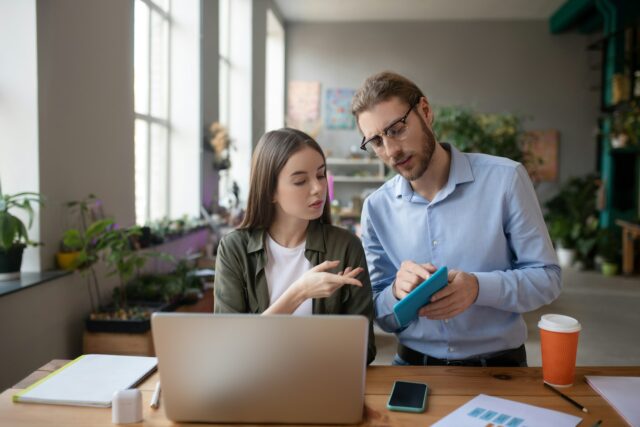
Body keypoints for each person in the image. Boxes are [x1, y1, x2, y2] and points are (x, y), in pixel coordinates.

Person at [352, 71, 561, 367]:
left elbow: (547, 279)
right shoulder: (376, 208)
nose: (391, 151)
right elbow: (378, 312)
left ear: (425, 111)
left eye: (397, 129)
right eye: (376, 141)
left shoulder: (505, 179)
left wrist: (477, 288)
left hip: (501, 370)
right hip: (412, 368)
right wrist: (396, 294)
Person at [214, 128, 377, 364]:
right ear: (270, 191)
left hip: (321, 384)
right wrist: (299, 292)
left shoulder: (346, 246)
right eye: (300, 181)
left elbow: (365, 351)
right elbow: (228, 350)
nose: (318, 188)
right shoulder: (234, 249)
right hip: (252, 384)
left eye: (321, 175)